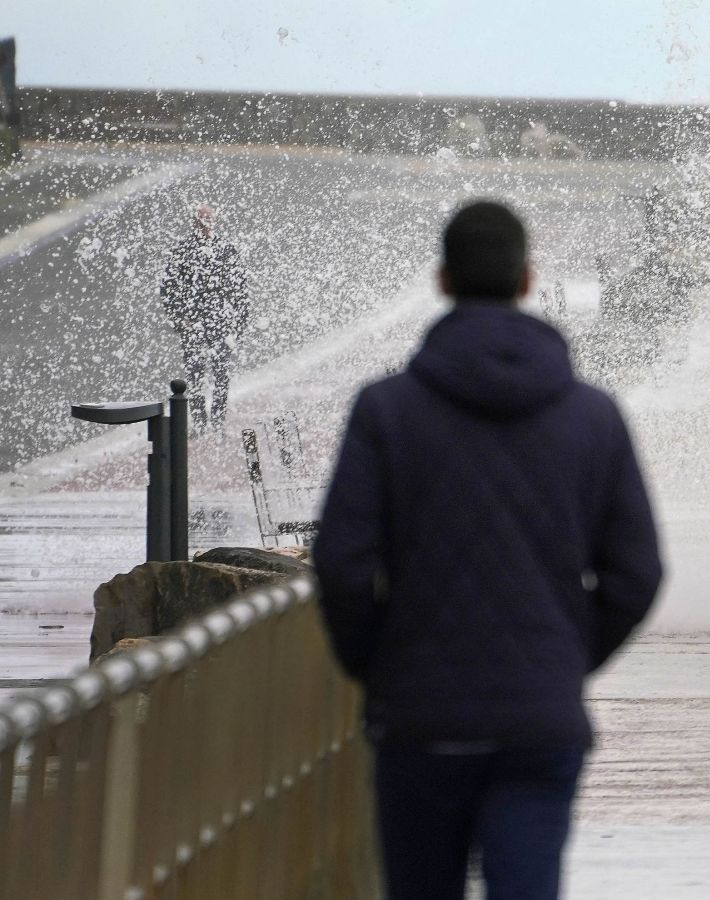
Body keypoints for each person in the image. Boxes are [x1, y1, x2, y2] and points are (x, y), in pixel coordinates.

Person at [314, 200, 663, 900]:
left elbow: (342, 562)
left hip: (420, 717)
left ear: (442, 279)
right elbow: (636, 571)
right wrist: (563, 657)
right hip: (539, 717)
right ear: (527, 279)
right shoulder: (592, 414)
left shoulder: (387, 410)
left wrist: (376, 663)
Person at [158, 204, 249, 429]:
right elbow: (168, 288)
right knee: (197, 374)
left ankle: (216, 421)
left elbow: (239, 287)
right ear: (194, 221)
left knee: (219, 374)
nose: (205, 223)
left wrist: (239, 320)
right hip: (196, 323)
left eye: (208, 218)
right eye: (201, 219)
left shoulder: (223, 249)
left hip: (217, 321)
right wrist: (180, 319)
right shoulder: (184, 251)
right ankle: (201, 421)